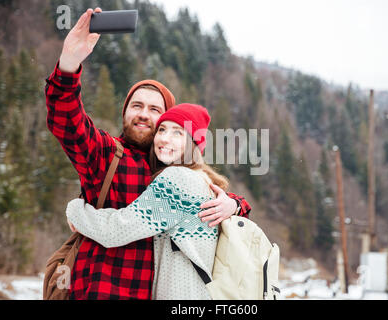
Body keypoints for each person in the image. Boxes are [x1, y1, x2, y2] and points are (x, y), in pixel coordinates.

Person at [45, 8, 251, 300]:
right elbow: (67, 122)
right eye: (136, 105)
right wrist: (69, 62)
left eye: (155, 111)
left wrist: (233, 204)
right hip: (99, 290)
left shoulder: (175, 172)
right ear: (125, 112)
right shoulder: (106, 153)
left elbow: (213, 197)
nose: (144, 114)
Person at [67, 103, 224, 299]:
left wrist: (76, 211)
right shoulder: (203, 180)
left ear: (194, 143)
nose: (165, 139)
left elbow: (117, 230)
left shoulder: (178, 179)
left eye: (178, 133)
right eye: (162, 129)